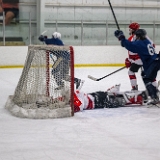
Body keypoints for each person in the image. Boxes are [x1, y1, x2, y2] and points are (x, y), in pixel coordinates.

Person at [114, 29, 160, 105]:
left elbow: (131, 46)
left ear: (138, 36)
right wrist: (124, 43)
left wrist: (122, 38)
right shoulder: (146, 41)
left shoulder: (140, 43)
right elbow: (132, 45)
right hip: (156, 60)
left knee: (146, 78)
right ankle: (155, 94)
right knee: (147, 75)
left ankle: (154, 97)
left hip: (152, 63)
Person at [126, 22, 157, 91]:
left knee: (131, 72)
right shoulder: (146, 37)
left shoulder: (131, 38)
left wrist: (130, 60)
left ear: (133, 30)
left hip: (139, 60)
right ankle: (155, 90)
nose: (129, 31)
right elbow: (153, 46)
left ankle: (134, 88)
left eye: (130, 29)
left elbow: (132, 52)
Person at [74, 84, 148, 112]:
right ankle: (144, 97)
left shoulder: (74, 94)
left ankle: (146, 96)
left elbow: (79, 105)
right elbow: (80, 106)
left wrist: (74, 98)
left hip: (98, 96)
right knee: (123, 99)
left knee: (121, 96)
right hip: (100, 101)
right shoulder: (75, 97)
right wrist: (74, 99)